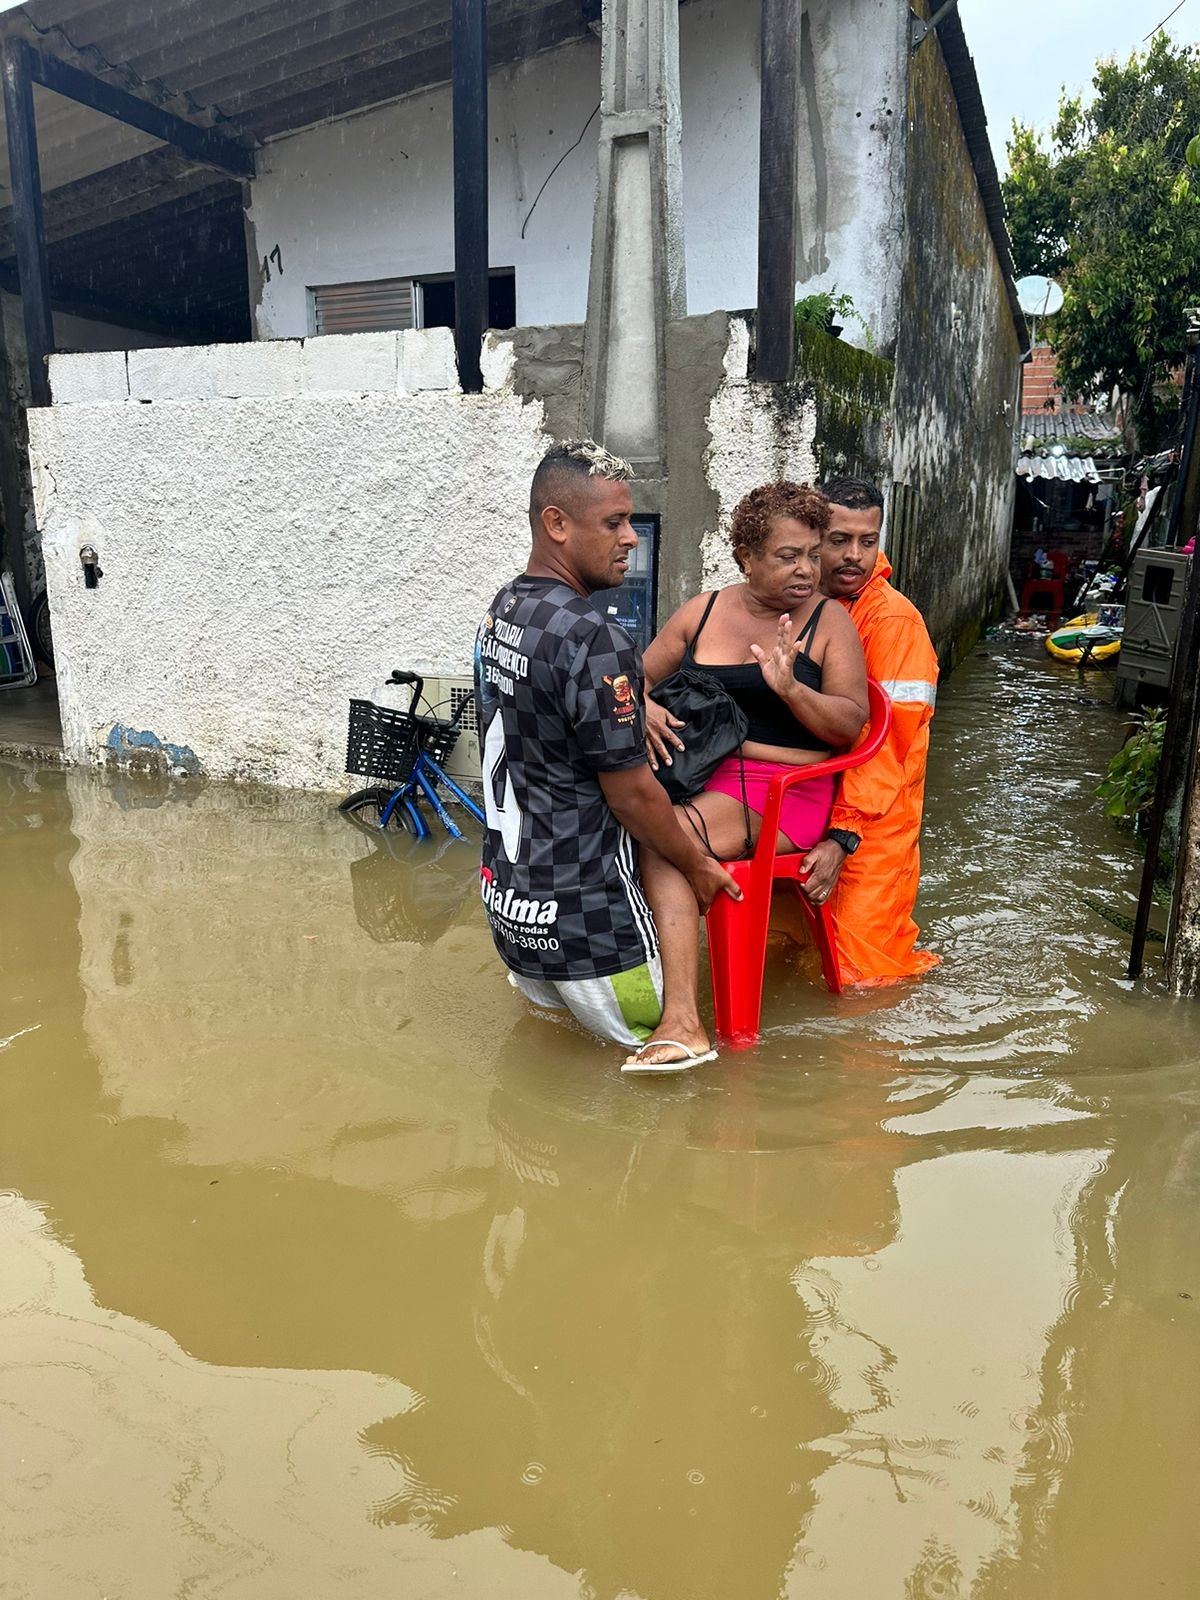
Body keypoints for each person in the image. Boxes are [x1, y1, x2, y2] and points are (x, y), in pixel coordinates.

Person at [476, 439, 740, 1062]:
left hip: (513, 912)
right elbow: (632, 795)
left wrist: (630, 702)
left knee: (560, 1076)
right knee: (677, 1079)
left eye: (630, 521)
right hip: (594, 930)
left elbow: (537, 718)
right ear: (557, 524)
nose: (631, 539)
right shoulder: (597, 638)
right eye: (614, 523)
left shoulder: (505, 608)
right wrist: (698, 864)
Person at [636, 482, 868, 1070]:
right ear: (746, 556)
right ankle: (602, 979)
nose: (806, 570)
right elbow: (630, 676)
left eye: (813, 554)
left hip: (786, 789)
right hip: (701, 774)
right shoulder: (705, 610)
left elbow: (852, 726)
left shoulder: (829, 621)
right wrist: (644, 705)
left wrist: (791, 690)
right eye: (787, 556)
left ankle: (684, 1022)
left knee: (668, 844)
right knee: (613, 818)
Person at [800, 476, 940, 986]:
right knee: (794, 962)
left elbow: (887, 746)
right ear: (815, 538)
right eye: (839, 541)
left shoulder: (896, 624)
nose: (854, 555)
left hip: (873, 828)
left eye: (868, 540)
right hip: (810, 807)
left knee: (868, 979)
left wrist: (843, 835)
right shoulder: (800, 603)